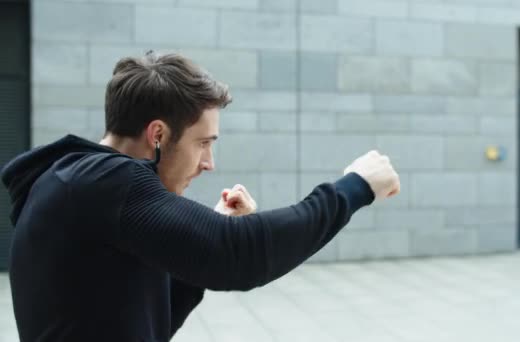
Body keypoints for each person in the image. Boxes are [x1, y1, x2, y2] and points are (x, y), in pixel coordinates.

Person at [0, 51, 400, 341]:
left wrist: (205, 237)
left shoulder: (82, 187)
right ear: (157, 135)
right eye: (203, 143)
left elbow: (152, 322)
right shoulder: (104, 180)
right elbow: (238, 256)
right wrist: (356, 185)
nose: (209, 163)